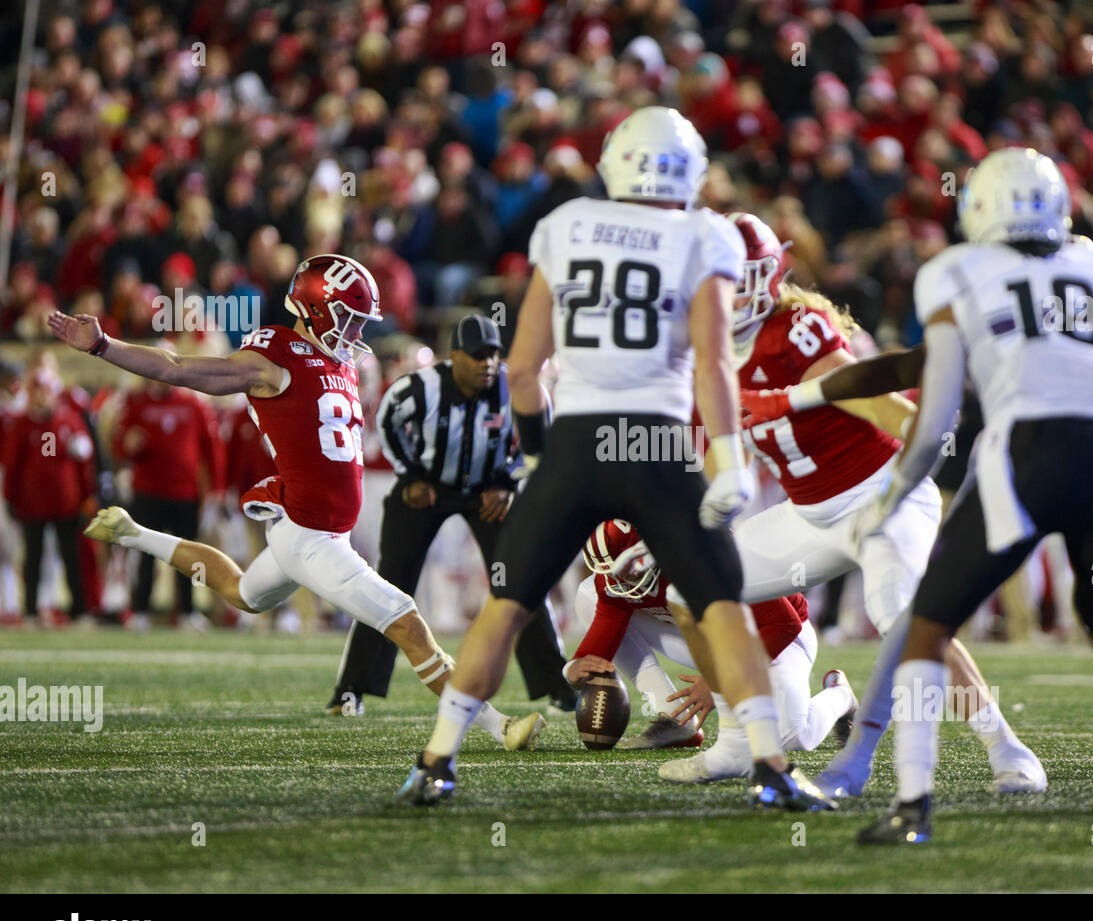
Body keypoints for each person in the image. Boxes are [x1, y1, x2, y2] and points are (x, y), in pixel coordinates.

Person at [745, 150, 1093, 842]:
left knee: (925, 620)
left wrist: (899, 489)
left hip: (1024, 457)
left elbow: (934, 411)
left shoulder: (957, 272)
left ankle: (912, 804)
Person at [396, 107, 831, 810]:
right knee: (721, 606)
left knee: (506, 607)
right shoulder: (705, 233)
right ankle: (772, 769)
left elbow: (527, 368)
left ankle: (436, 762)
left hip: (579, 443)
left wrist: (539, 462)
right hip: (661, 445)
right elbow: (715, 367)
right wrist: (728, 461)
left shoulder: (564, 227)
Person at [746, 288, 1093, 806]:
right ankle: (862, 757)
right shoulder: (1012, 291)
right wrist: (799, 396)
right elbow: (908, 368)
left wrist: (798, 395)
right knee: (926, 610)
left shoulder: (1087, 295)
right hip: (1024, 468)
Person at [48, 253, 542, 753]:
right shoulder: (275, 354)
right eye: (348, 318)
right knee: (409, 621)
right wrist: (103, 345)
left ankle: (134, 533)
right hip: (312, 536)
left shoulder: (340, 363)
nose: (354, 332)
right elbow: (179, 369)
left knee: (242, 593)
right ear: (316, 308)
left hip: (307, 528)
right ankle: (499, 727)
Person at [688, 211, 1045, 799]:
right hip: (810, 514)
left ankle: (1006, 746)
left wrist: (900, 483)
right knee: (691, 587)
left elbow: (881, 409)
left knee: (901, 616)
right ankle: (734, 741)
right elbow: (723, 460)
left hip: (880, 492)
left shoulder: (796, 329)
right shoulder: (703, 353)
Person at [328, 313, 569, 720]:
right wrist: (411, 474)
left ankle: (556, 686)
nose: (487, 364)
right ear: (454, 356)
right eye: (477, 356)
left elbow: (537, 448)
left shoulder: (515, 387)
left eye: (492, 355)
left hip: (486, 494)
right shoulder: (423, 387)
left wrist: (508, 482)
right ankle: (352, 688)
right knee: (389, 583)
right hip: (427, 491)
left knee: (516, 581)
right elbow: (387, 420)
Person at [566, 519, 856, 769]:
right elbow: (603, 634)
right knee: (588, 593)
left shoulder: (707, 555)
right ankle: (677, 720)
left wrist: (719, 681)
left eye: (627, 569)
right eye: (610, 571)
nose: (617, 581)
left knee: (791, 736)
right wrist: (574, 668)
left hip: (776, 640)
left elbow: (784, 624)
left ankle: (841, 695)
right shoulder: (617, 577)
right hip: (710, 632)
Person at [113, 369, 222, 629]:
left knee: (186, 556)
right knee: (145, 554)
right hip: (148, 492)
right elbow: (119, 447)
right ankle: (140, 610)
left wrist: (216, 489)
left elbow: (212, 447)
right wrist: (128, 445)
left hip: (185, 493)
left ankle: (187, 611)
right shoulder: (136, 403)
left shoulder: (194, 403)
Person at [2, 358, 94, 624]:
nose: (41, 397)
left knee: (71, 558)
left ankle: (79, 610)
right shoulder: (22, 424)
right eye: (37, 391)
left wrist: (87, 495)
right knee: (33, 558)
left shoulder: (69, 420)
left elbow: (84, 464)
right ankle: (31, 611)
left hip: (66, 502)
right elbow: (13, 465)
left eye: (45, 391)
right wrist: (11, 497)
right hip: (33, 504)